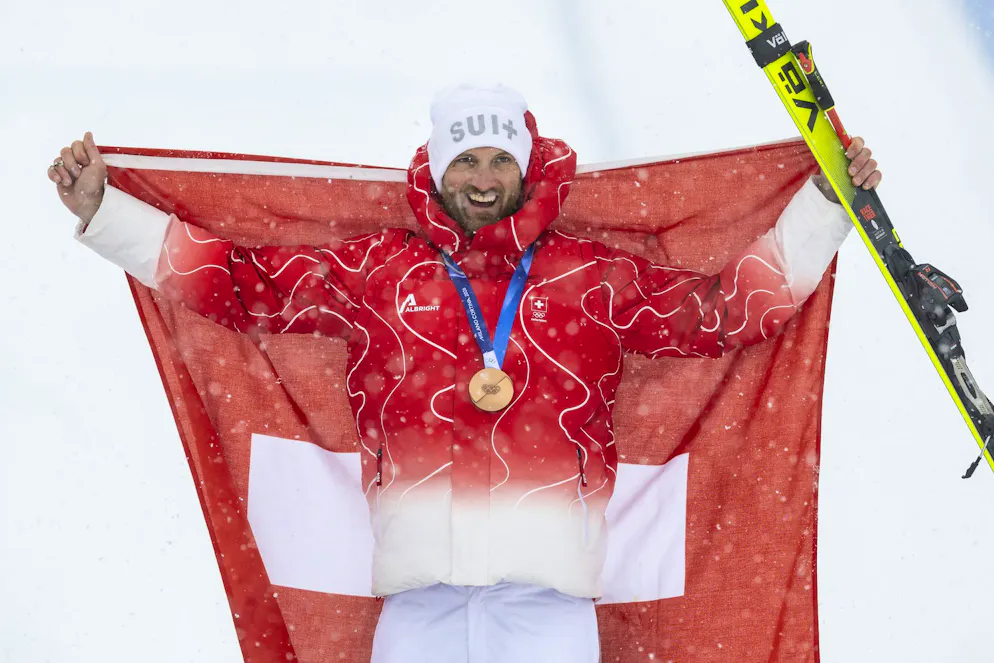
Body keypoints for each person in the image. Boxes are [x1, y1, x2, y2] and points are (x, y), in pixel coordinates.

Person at [50, 84, 881, 663]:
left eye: (498, 161)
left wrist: (824, 206)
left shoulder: (587, 278)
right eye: (465, 161)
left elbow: (725, 312)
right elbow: (244, 287)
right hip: (418, 605)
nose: (482, 180)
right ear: (436, 169)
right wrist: (107, 211)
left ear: (527, 167)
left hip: (550, 606)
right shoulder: (380, 273)